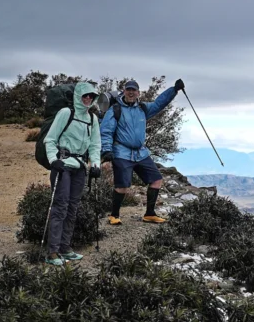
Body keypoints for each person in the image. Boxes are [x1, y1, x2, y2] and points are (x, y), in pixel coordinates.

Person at [100, 78, 184, 224]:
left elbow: (159, 103)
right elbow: (106, 131)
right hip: (121, 152)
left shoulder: (143, 108)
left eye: (134, 90)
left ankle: (149, 214)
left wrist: (174, 90)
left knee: (156, 180)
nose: (131, 93)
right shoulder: (115, 109)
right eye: (128, 90)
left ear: (138, 93)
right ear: (124, 91)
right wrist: (106, 150)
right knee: (122, 186)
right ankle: (114, 215)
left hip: (140, 153)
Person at [42, 81, 101, 267]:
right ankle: (52, 251)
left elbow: (95, 145)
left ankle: (66, 248)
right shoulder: (66, 113)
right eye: (85, 95)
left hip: (80, 167)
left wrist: (96, 164)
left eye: (91, 96)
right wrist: (53, 160)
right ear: (78, 96)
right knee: (60, 206)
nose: (88, 99)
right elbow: (50, 139)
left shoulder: (93, 119)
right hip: (63, 165)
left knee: (73, 207)